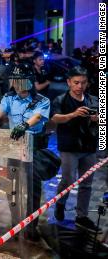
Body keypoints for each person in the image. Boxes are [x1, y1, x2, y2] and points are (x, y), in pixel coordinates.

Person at [0, 63, 51, 241]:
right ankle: (16, 222)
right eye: (14, 81)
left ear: (29, 82)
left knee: (33, 191)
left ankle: (32, 226)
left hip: (33, 150)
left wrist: (25, 126)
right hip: (14, 149)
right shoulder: (9, 97)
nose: (16, 85)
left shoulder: (42, 100)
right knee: (12, 187)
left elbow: (38, 116)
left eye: (20, 81)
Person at [51, 66, 100, 232]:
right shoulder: (61, 100)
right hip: (69, 146)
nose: (80, 86)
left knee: (87, 184)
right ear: (69, 82)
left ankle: (82, 216)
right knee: (68, 180)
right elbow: (55, 118)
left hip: (89, 146)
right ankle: (60, 203)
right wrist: (73, 114)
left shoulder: (93, 100)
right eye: (76, 82)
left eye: (83, 83)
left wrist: (97, 118)